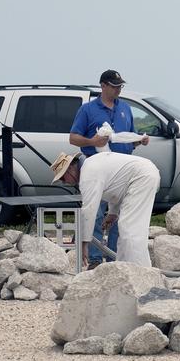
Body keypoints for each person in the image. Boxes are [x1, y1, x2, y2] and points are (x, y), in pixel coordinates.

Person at [68, 70, 150, 267]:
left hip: (122, 172)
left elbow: (129, 138)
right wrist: (92, 141)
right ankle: (95, 259)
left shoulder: (126, 109)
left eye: (120, 86)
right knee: (95, 213)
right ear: (103, 86)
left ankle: (115, 257)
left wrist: (139, 141)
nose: (118, 90)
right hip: (97, 170)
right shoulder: (87, 110)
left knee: (119, 217)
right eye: (114, 86)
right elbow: (73, 138)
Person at [52, 150, 157, 267]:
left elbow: (88, 210)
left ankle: (142, 271)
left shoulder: (88, 174)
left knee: (130, 229)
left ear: (70, 169)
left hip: (142, 177)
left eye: (63, 178)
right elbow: (117, 187)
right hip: (142, 175)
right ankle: (125, 269)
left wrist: (83, 243)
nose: (64, 182)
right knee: (125, 231)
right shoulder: (91, 166)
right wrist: (113, 213)